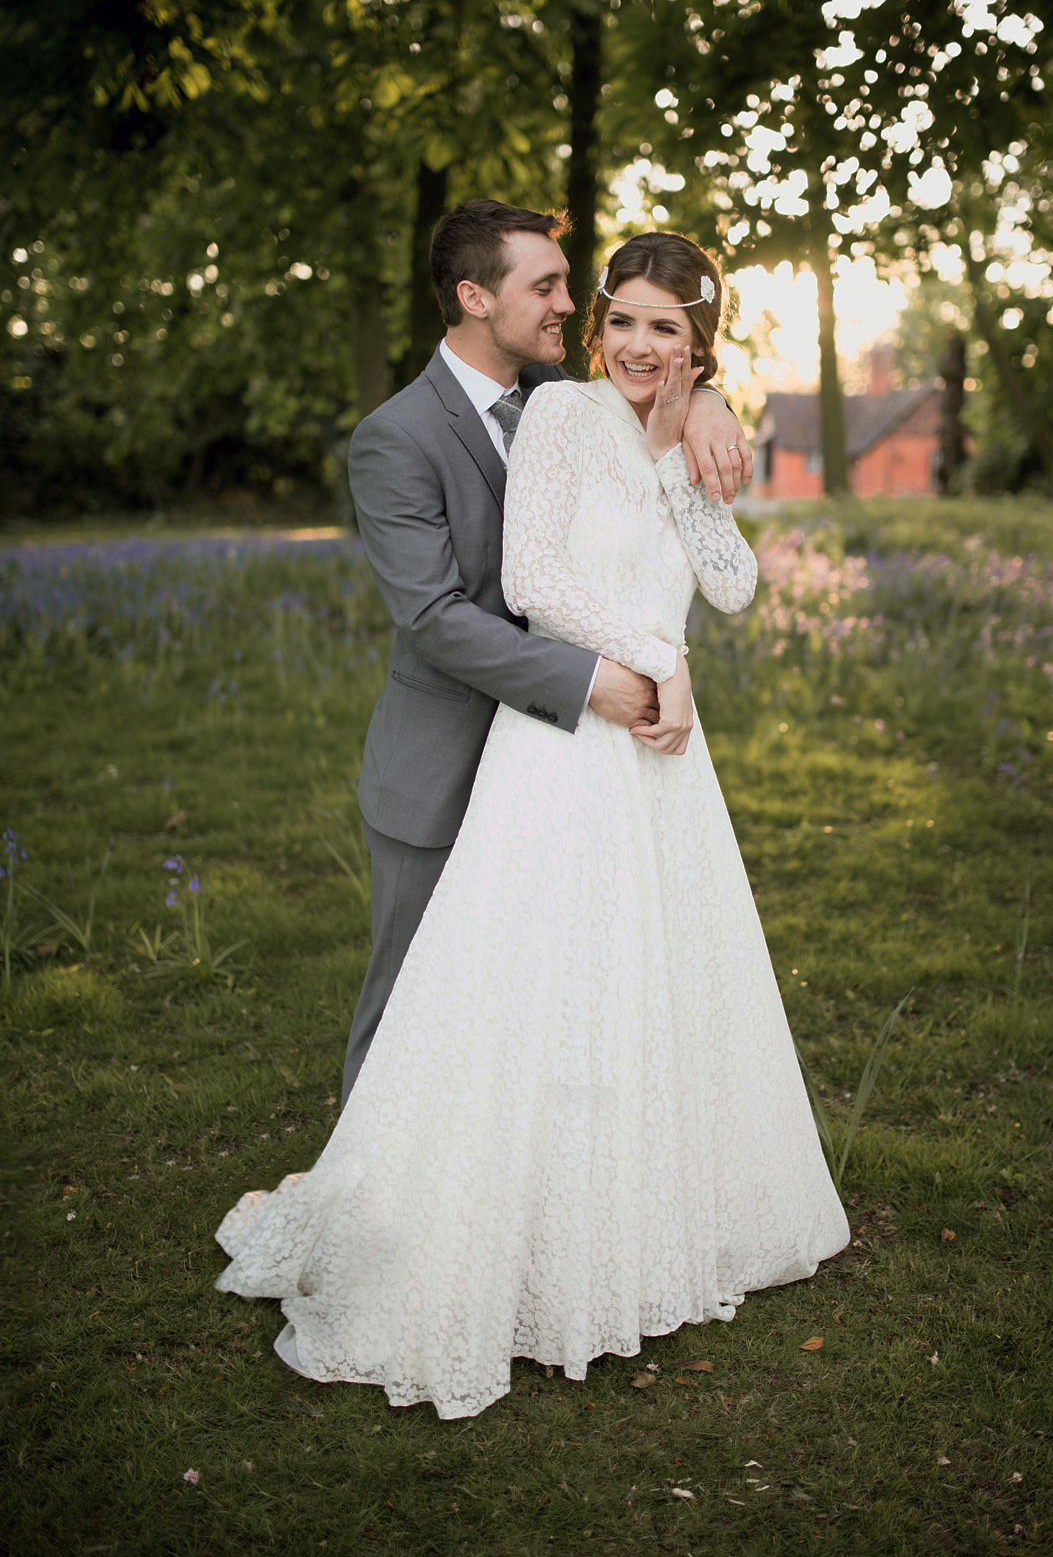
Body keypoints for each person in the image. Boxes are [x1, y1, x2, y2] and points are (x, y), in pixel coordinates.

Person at [214, 230, 849, 1420]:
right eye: (621, 319)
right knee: (500, 987)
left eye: (669, 328)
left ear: (700, 344)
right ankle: (430, 1212)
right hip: (573, 738)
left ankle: (633, 1215)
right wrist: (655, 663)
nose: (636, 342)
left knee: (645, 980)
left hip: (659, 752)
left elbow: (735, 583)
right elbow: (531, 585)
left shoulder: (658, 417)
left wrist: (682, 446)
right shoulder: (557, 419)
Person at [337, 200, 753, 1104]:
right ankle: (371, 1201)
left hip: (577, 768)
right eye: (550, 286)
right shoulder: (396, 437)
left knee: (545, 1008)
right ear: (474, 297)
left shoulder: (557, 401)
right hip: (449, 761)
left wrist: (707, 399)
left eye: (573, 286)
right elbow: (439, 615)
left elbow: (645, 398)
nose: (575, 303)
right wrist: (622, 671)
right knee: (414, 1006)